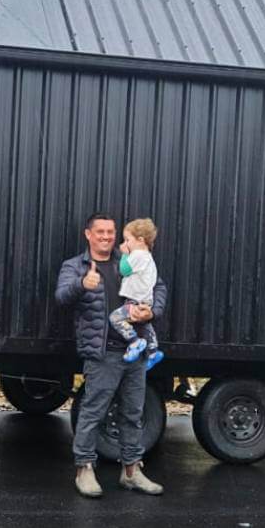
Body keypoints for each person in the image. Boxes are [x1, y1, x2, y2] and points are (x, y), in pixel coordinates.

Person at [55, 212, 167, 498]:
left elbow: (159, 286)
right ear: (88, 234)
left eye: (111, 232)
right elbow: (61, 297)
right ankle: (84, 470)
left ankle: (132, 471)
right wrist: (83, 284)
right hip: (102, 354)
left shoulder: (128, 261)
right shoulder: (75, 266)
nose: (107, 237)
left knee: (133, 414)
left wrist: (152, 310)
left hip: (135, 352)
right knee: (93, 413)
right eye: (100, 232)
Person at [109, 217, 164, 370]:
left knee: (115, 318)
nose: (126, 244)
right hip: (145, 301)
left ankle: (134, 342)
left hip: (134, 300)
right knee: (145, 325)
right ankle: (153, 351)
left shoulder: (138, 255)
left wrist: (124, 254)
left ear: (140, 240)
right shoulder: (148, 258)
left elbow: (124, 270)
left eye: (127, 240)